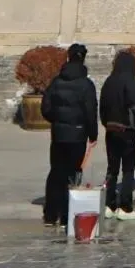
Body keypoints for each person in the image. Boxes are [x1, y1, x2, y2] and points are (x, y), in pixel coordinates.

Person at [40, 43, 98, 228]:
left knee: (56, 172)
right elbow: (91, 112)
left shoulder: (56, 82)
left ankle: (50, 215)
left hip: (58, 135)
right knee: (73, 174)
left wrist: (56, 120)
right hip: (78, 134)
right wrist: (93, 134)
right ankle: (66, 215)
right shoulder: (86, 85)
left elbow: (45, 107)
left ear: (68, 57)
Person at [99, 49, 135, 221]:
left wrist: (107, 124)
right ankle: (125, 207)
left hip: (111, 130)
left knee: (112, 169)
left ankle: (109, 205)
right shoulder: (128, 81)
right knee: (128, 170)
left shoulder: (109, 81)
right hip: (127, 131)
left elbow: (102, 109)